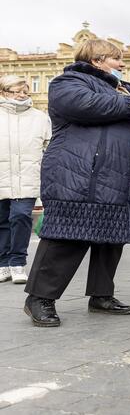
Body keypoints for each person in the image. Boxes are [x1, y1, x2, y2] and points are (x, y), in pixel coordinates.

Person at [24, 39, 130, 327]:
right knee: (67, 236)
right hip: (78, 174)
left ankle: (102, 295)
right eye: (117, 59)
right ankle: (39, 298)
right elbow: (87, 105)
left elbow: (124, 126)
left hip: (115, 177)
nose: (122, 64)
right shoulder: (67, 82)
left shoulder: (121, 90)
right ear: (97, 60)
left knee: (110, 237)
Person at [0, 76, 51, 285]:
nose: (21, 95)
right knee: (2, 221)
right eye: (15, 91)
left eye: (24, 91)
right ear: (3, 92)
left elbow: (49, 146)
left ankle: (18, 262)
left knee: (20, 216)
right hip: (2, 176)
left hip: (28, 177)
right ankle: (3, 264)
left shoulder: (40, 117)